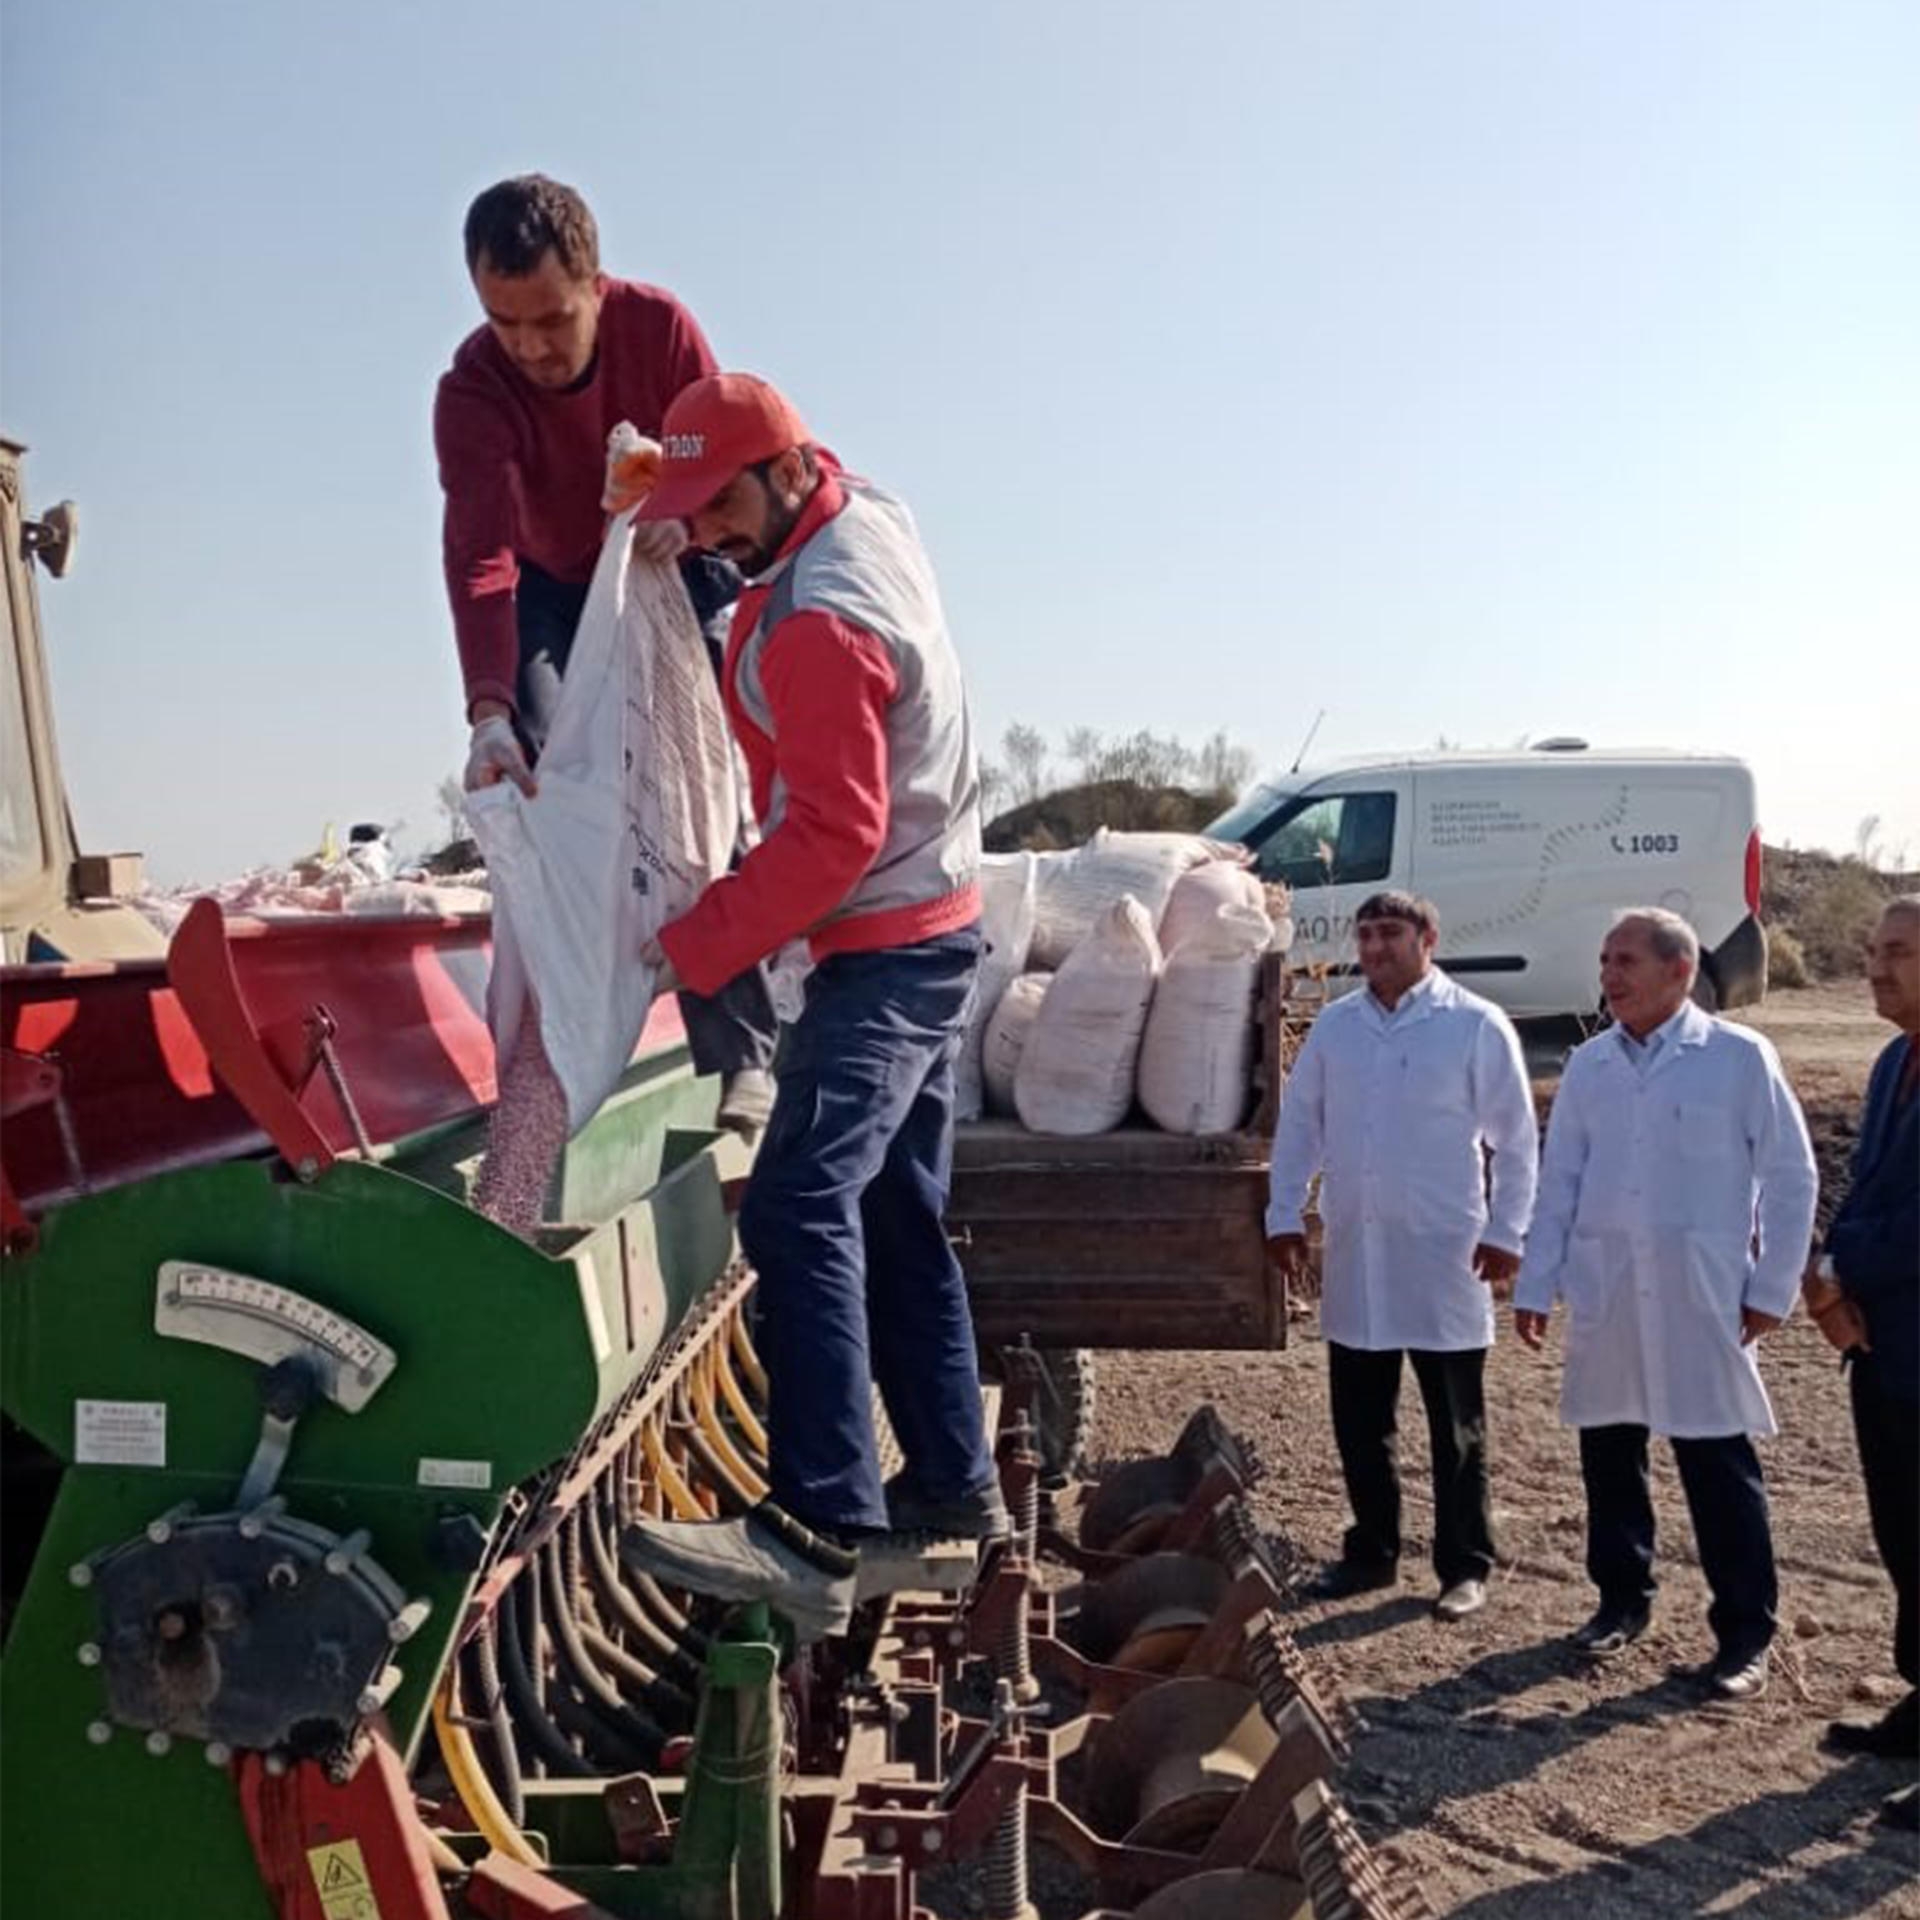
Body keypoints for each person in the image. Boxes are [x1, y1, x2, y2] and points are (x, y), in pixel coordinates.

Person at [615, 373, 1004, 1640]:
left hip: (884, 949)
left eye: (722, 502)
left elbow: (833, 835)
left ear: (781, 476)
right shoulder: (861, 510)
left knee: (795, 1199)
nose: (713, 530)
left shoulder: (817, 625)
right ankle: (950, 1495)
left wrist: (698, 944)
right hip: (941, 925)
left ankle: (817, 1525)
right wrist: (681, 499)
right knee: (895, 1205)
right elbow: (765, 478)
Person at [434, 173, 778, 1131]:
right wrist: (491, 709)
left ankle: (742, 1053)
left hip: (670, 561)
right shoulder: (472, 389)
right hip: (550, 586)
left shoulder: (660, 330)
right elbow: (480, 551)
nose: (532, 348)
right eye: (507, 324)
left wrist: (690, 522)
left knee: (702, 793)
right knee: (550, 781)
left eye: (551, 319)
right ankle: (559, 1054)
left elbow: (726, 460)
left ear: (594, 286)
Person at [1514, 908, 1818, 1702]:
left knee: (1717, 1464)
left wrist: (1771, 1289)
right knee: (1610, 1455)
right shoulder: (1590, 1066)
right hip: (1610, 1287)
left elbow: (1791, 1179)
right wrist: (1537, 1280)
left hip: (1704, 1294)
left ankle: (1745, 1633)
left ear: (1680, 972)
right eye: (1605, 959)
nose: (1609, 976)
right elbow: (1562, 1181)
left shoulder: (1738, 1058)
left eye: (1626, 961)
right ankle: (1621, 1600)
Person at [1267, 891, 1539, 1622]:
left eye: (1392, 933)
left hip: (1445, 1251)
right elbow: (1301, 1126)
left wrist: (1507, 1231)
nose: (1377, 948)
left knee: (1455, 1422)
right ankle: (1372, 1551)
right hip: (1360, 1250)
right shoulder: (1337, 1026)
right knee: (1360, 1416)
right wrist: (1284, 1210)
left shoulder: (1473, 1025)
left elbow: (1515, 1140)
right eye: (1366, 935)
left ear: (1429, 937)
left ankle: (1464, 1565)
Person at [1806, 896, 1919, 1822]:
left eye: (1901, 952)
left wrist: (1838, 1266)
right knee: (1905, 1529)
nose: (1878, 968)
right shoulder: (1892, 1063)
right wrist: (1831, 1273)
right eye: (1874, 949)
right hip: (1883, 1346)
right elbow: (1863, 1186)